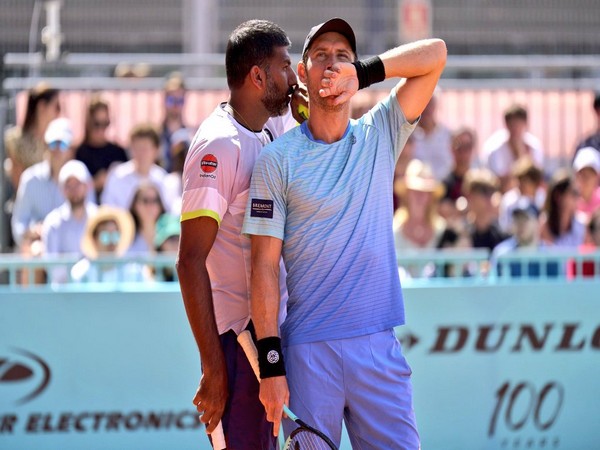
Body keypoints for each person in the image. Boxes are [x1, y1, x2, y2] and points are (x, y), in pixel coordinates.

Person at [242, 17, 446, 449]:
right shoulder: (277, 161)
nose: (332, 67)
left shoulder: (380, 131)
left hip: (377, 346)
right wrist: (272, 365)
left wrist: (367, 71)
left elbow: (435, 55)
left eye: (342, 58)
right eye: (320, 57)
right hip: (307, 353)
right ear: (303, 73)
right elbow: (261, 266)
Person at [175, 19, 304, 449]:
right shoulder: (218, 146)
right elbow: (189, 260)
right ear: (258, 77)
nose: (294, 77)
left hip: (269, 338)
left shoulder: (269, 127)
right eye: (285, 66)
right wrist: (214, 370)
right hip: (236, 347)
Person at [11, 118, 77, 253]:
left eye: (63, 144)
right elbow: (19, 225)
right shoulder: (30, 179)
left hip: (73, 249)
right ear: (45, 146)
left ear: (71, 149)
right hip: (39, 248)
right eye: (53, 144)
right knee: (34, 252)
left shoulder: (81, 178)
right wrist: (32, 232)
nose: (57, 149)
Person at [41, 160, 97, 284]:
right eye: (68, 185)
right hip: (63, 295)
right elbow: (52, 266)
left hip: (94, 291)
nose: (74, 190)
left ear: (87, 186)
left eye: (78, 184)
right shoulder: (53, 222)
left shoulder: (99, 217)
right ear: (62, 190)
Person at [4, 82, 60, 190]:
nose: (58, 113)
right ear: (42, 106)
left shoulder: (58, 141)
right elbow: (19, 185)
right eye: (57, 107)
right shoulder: (15, 141)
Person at [100, 123, 167, 210]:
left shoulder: (163, 180)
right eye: (137, 148)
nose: (141, 154)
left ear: (156, 150)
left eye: (145, 148)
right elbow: (107, 208)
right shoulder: (117, 176)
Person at [71, 205, 145, 283]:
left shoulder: (133, 273)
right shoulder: (81, 273)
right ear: (94, 239)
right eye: (105, 236)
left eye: (115, 236)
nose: (111, 242)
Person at [75, 95, 128, 202]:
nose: (101, 129)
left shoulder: (118, 152)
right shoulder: (79, 154)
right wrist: (95, 183)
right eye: (96, 124)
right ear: (88, 123)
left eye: (105, 124)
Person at [483, 104, 544, 192]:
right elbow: (497, 183)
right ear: (506, 124)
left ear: (525, 124)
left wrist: (521, 153)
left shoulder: (534, 146)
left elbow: (534, 179)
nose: (515, 128)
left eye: (518, 124)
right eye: (512, 124)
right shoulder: (494, 148)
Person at [409, 89, 453, 181]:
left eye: (430, 103)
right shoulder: (408, 136)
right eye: (423, 102)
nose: (427, 108)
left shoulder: (448, 135)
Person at [497, 156, 545, 234]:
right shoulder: (509, 200)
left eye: (524, 181)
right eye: (518, 180)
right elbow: (505, 227)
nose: (520, 185)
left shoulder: (544, 198)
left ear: (535, 183)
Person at [540, 169, 586, 248]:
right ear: (558, 196)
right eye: (574, 193)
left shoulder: (582, 226)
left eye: (578, 193)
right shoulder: (543, 226)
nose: (578, 198)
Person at [127, 181, 166, 255]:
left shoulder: (171, 237)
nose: (150, 206)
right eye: (145, 200)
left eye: (155, 200)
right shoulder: (126, 237)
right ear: (135, 205)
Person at [160, 72, 188, 172]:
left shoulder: (190, 138)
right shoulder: (156, 135)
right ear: (163, 100)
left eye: (180, 100)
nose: (175, 105)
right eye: (171, 100)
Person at [572, 146, 600, 224]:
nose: (586, 179)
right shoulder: (569, 199)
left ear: (597, 176)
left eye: (590, 174)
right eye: (582, 174)